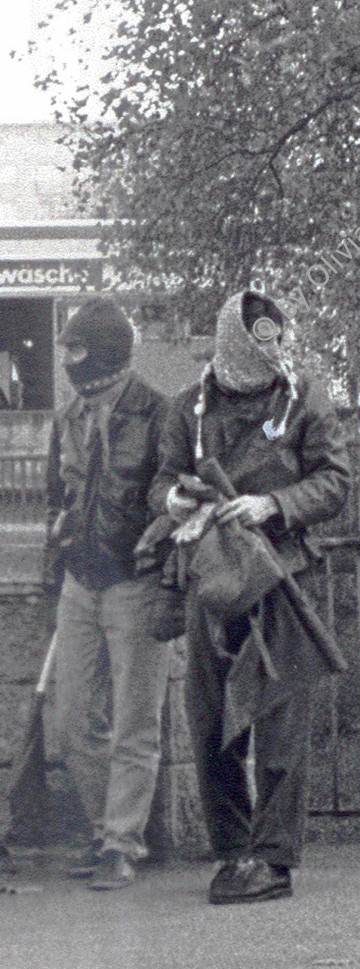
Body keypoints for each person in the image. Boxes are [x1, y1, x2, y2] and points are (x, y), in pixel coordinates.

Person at [152, 290, 350, 905]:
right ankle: (233, 851)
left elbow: (335, 481)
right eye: (258, 341)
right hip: (212, 581)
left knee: (282, 724)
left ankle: (272, 861)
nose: (272, 352)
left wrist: (273, 505)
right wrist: (176, 501)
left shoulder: (303, 399)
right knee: (210, 723)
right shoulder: (188, 408)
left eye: (276, 340)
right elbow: (161, 480)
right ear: (232, 342)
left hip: (281, 579)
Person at [42, 298, 173, 891]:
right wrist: (60, 527)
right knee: (69, 721)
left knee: (135, 723)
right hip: (81, 581)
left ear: (104, 350)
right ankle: (106, 834)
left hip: (135, 584)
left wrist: (159, 528)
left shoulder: (160, 414)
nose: (66, 357)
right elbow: (57, 495)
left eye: (74, 347)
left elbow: (175, 493)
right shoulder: (67, 418)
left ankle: (122, 843)